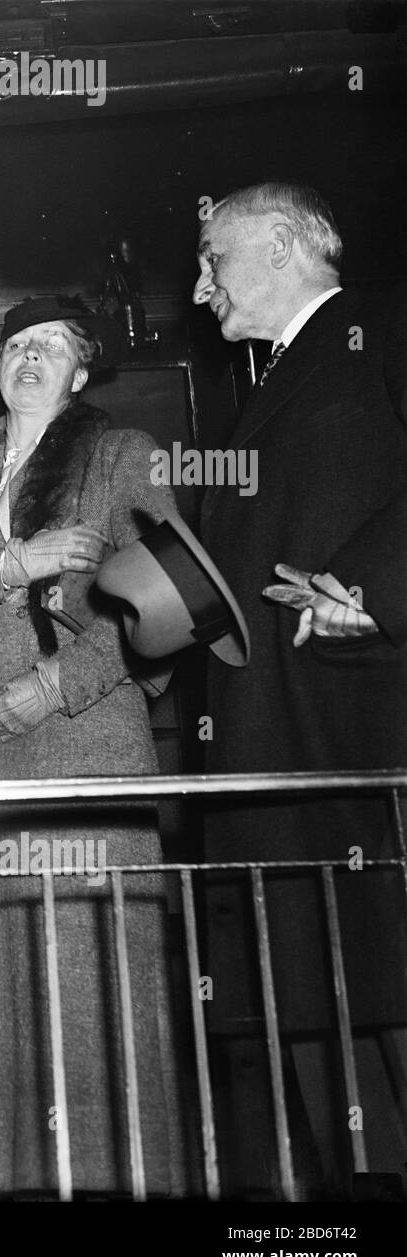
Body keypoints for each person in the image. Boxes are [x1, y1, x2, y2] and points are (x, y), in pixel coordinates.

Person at [0, 295, 189, 1199]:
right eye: (15, 346)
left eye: (50, 346)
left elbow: (180, 602)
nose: (29, 359)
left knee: (95, 985)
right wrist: (16, 562)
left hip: (86, 747)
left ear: (82, 370)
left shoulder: (122, 456)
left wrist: (57, 684)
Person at [192, 182, 407, 1195]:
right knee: (318, 1019)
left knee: (379, 1005)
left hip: (354, 732)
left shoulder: (384, 328)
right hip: (282, 756)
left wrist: (375, 589)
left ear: (278, 246)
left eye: (211, 259)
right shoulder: (274, 381)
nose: (199, 289)